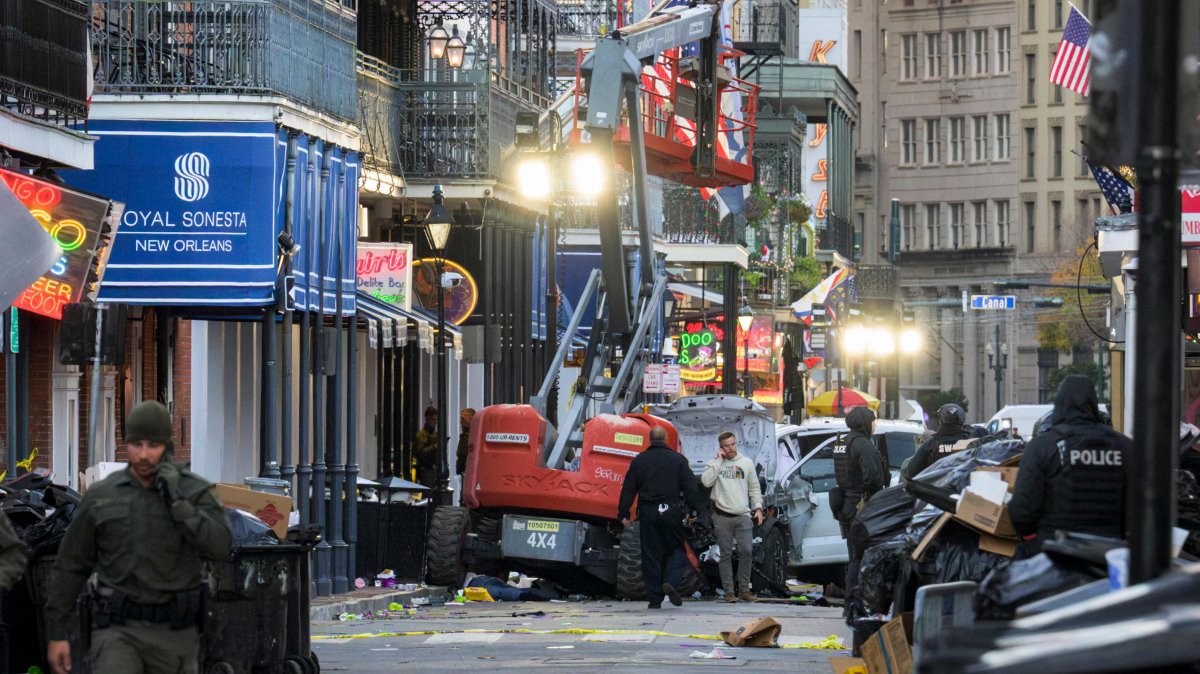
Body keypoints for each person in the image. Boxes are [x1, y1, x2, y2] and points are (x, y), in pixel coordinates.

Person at [45, 401, 232, 674]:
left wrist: (178, 505)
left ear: (166, 447)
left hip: (174, 633)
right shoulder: (103, 495)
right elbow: (71, 565)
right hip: (117, 631)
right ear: (127, 443)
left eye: (153, 446)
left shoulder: (194, 491)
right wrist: (57, 632)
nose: (143, 455)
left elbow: (220, 546)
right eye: (136, 444)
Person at [1009, 375, 1131, 552]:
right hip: (1111, 552)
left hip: (1054, 555)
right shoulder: (1124, 446)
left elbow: (1021, 511)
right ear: (1094, 403)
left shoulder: (1043, 446)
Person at [616, 426, 704, 609]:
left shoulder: (639, 461)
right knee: (677, 549)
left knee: (650, 554)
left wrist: (623, 513)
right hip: (670, 509)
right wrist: (696, 510)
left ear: (650, 440)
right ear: (665, 439)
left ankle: (654, 599)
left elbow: (628, 488)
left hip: (647, 511)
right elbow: (690, 488)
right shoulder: (678, 460)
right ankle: (670, 581)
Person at [700, 431, 764, 603]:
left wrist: (758, 508)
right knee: (725, 554)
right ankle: (729, 592)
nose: (731, 448)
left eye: (733, 444)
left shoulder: (746, 463)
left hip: (742, 514)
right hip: (722, 515)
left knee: (746, 551)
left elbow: (754, 488)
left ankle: (744, 590)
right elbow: (706, 482)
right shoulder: (714, 464)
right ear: (721, 448)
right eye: (727, 445)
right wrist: (718, 462)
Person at [832, 406, 887, 600]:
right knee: (863, 555)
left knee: (853, 554)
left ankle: (852, 598)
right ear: (864, 422)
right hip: (862, 506)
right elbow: (873, 478)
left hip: (847, 505)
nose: (875, 424)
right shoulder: (863, 444)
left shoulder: (842, 441)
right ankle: (856, 599)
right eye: (873, 421)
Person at [902, 403, 974, 481]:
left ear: (940, 420)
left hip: (934, 491)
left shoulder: (930, 445)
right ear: (962, 420)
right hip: (963, 489)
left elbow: (911, 472)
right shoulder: (972, 443)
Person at [413, 405, 439, 489]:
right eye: (433, 419)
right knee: (427, 494)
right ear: (427, 419)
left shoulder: (437, 435)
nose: (435, 422)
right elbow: (420, 453)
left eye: (436, 420)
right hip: (426, 471)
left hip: (436, 470)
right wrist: (434, 446)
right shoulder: (420, 435)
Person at [456, 407, 476, 477]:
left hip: (469, 470)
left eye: (463, 418)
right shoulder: (464, 436)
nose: (461, 421)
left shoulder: (474, 436)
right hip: (462, 471)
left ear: (470, 419)